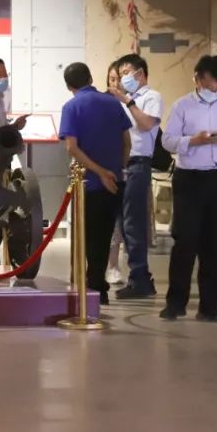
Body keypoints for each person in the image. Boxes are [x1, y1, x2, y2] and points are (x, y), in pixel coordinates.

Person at [159, 56, 217, 321]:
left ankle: (211, 306)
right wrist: (193, 141)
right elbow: (167, 140)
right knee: (185, 241)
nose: (214, 89)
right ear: (197, 78)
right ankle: (175, 303)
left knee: (216, 242)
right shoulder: (182, 105)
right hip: (189, 178)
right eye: (210, 84)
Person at [58, 62, 132, 305]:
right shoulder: (113, 103)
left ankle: (87, 288)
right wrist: (116, 171)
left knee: (86, 238)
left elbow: (71, 148)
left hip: (87, 183)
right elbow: (127, 142)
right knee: (105, 235)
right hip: (114, 182)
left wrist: (99, 172)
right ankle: (99, 289)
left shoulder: (71, 107)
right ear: (91, 78)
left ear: (68, 86)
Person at [105, 54, 162, 300]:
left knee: (133, 223)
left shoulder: (151, 97)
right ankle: (140, 276)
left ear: (140, 73)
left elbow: (146, 124)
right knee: (123, 223)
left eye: (126, 73)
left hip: (138, 163)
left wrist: (128, 102)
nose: (123, 78)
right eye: (120, 74)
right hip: (119, 165)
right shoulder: (121, 101)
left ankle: (140, 277)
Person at [104, 63, 125, 286]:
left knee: (124, 222)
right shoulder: (104, 102)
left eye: (119, 78)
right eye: (111, 79)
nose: (115, 83)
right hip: (107, 167)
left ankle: (116, 266)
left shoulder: (133, 102)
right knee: (110, 221)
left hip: (127, 168)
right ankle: (108, 264)